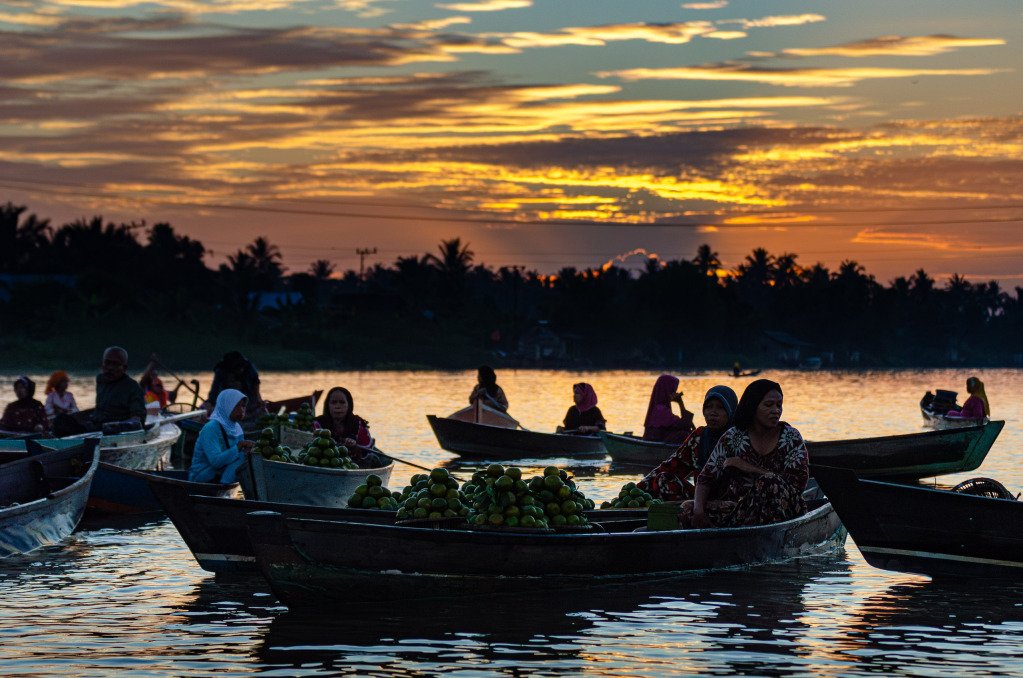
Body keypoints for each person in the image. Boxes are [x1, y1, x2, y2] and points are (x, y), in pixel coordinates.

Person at [679, 379, 809, 529]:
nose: (776, 410)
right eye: (768, 405)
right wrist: (699, 511)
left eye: (779, 405)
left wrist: (749, 467)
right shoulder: (734, 437)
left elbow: (797, 486)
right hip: (741, 510)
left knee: (770, 482)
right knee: (687, 507)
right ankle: (721, 536)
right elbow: (705, 478)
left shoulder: (790, 437)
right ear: (753, 407)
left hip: (785, 509)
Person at [638, 385, 738, 501]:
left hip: (733, 502)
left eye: (720, 407)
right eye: (709, 407)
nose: (713, 412)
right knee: (663, 479)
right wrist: (638, 489)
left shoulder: (739, 438)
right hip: (700, 500)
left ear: (731, 411)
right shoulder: (699, 436)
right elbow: (672, 466)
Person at [189, 389, 253, 483]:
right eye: (236, 406)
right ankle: (224, 487)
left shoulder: (237, 428)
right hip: (201, 476)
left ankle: (227, 488)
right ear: (226, 407)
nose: (241, 410)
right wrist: (238, 447)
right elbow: (216, 462)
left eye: (243, 406)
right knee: (242, 458)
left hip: (221, 473)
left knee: (249, 457)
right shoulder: (211, 428)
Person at [94, 346, 147, 426]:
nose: (110, 368)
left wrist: (115, 425)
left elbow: (138, 418)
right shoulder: (100, 379)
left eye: (115, 364)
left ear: (124, 368)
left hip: (114, 429)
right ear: (102, 363)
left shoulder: (132, 387)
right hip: (95, 423)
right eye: (107, 363)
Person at [206, 351, 265, 418]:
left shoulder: (249, 368)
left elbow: (255, 384)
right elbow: (214, 391)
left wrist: (258, 400)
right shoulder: (221, 371)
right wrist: (210, 403)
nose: (240, 370)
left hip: (248, 399)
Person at [642, 374, 694, 443]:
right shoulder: (661, 410)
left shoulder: (660, 408)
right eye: (673, 389)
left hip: (660, 441)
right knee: (683, 434)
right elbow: (686, 425)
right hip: (657, 444)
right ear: (666, 390)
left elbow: (688, 426)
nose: (675, 392)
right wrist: (680, 403)